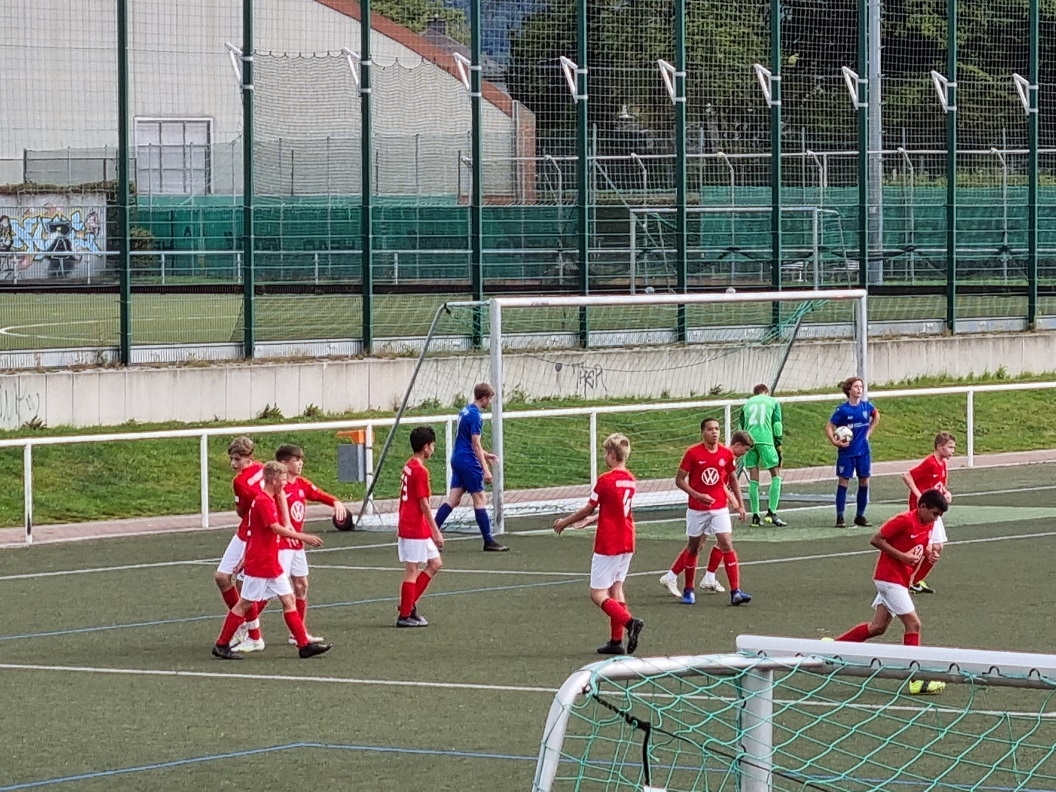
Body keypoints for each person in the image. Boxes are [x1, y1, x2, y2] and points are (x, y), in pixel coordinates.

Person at [831, 488, 949, 694]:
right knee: (913, 624)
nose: (936, 519)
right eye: (935, 514)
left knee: (877, 627)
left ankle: (831, 649)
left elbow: (922, 544)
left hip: (900, 580)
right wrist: (903, 557)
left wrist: (930, 553)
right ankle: (915, 679)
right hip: (889, 578)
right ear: (922, 507)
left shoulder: (928, 523)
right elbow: (876, 539)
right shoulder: (904, 520)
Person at [212, 461, 332, 660]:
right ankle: (221, 644)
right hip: (261, 563)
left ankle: (303, 645)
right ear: (273, 480)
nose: (285, 484)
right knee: (245, 604)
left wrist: (245, 557)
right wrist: (303, 537)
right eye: (283, 480)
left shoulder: (268, 499)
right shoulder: (263, 501)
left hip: (270, 561)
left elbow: (252, 532)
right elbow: (274, 528)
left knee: (288, 599)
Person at [553, 433, 644, 656]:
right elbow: (616, 509)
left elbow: (588, 508)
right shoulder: (630, 479)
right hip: (627, 539)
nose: (604, 456)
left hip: (609, 541)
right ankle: (616, 642)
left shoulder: (606, 480)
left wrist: (565, 522)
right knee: (616, 588)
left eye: (605, 452)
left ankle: (629, 622)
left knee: (597, 594)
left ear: (612, 454)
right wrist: (593, 520)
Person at [659, 419, 754, 606]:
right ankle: (688, 588)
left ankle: (735, 591)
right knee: (694, 547)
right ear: (703, 432)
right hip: (697, 509)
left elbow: (731, 479)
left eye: (717, 429)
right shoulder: (693, 453)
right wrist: (697, 495)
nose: (714, 432)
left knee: (726, 543)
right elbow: (679, 480)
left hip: (719, 508)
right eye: (710, 429)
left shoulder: (726, 454)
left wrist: (740, 504)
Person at [273, 443, 347, 644]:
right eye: (296, 460)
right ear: (283, 463)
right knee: (269, 591)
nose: (300, 463)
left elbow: (318, 494)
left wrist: (335, 502)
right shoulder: (277, 488)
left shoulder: (301, 484)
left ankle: (298, 632)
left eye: (301, 460)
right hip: (281, 545)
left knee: (301, 585)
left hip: (297, 545)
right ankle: (248, 627)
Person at [433, 382, 508, 551]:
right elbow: (475, 443)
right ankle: (488, 541)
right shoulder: (476, 416)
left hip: (458, 458)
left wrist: (486, 454)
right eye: (489, 398)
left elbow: (466, 440)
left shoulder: (465, 411)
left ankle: (432, 532)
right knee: (480, 498)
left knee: (453, 499)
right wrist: (486, 469)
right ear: (484, 398)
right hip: (468, 461)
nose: (490, 402)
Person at [396, 427, 445, 628]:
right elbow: (423, 503)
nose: (433, 449)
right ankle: (405, 615)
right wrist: (435, 530)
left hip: (414, 525)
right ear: (426, 447)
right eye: (432, 445)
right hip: (413, 526)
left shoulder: (409, 465)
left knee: (435, 563)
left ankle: (407, 605)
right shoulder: (420, 471)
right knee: (412, 570)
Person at [901, 432, 956, 595]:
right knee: (927, 548)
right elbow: (907, 476)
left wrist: (945, 493)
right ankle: (906, 580)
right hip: (922, 511)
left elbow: (938, 485)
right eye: (950, 447)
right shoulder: (930, 463)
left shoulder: (943, 464)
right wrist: (919, 495)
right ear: (940, 447)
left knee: (937, 547)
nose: (953, 451)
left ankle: (916, 580)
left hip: (934, 510)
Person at [214, 437, 263, 615]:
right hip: (244, 532)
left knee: (245, 587)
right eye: (231, 459)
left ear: (249, 457)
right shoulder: (262, 468)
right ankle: (241, 619)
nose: (233, 463)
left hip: (256, 535)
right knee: (222, 577)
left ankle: (249, 626)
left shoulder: (240, 481)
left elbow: (241, 510)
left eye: (237, 459)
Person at [826, 376, 880, 528]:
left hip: (863, 452)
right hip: (847, 453)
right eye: (856, 387)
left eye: (861, 387)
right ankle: (840, 517)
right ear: (849, 390)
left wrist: (870, 431)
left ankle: (860, 516)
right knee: (843, 481)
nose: (859, 389)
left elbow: (876, 415)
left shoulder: (867, 406)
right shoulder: (842, 410)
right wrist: (835, 441)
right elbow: (829, 427)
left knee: (864, 481)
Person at [739, 383, 788, 527]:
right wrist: (778, 443)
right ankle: (771, 512)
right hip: (765, 440)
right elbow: (777, 425)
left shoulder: (746, 404)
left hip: (749, 441)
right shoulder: (773, 402)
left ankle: (755, 516)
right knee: (776, 474)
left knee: (753, 478)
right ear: (767, 392)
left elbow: (740, 427)